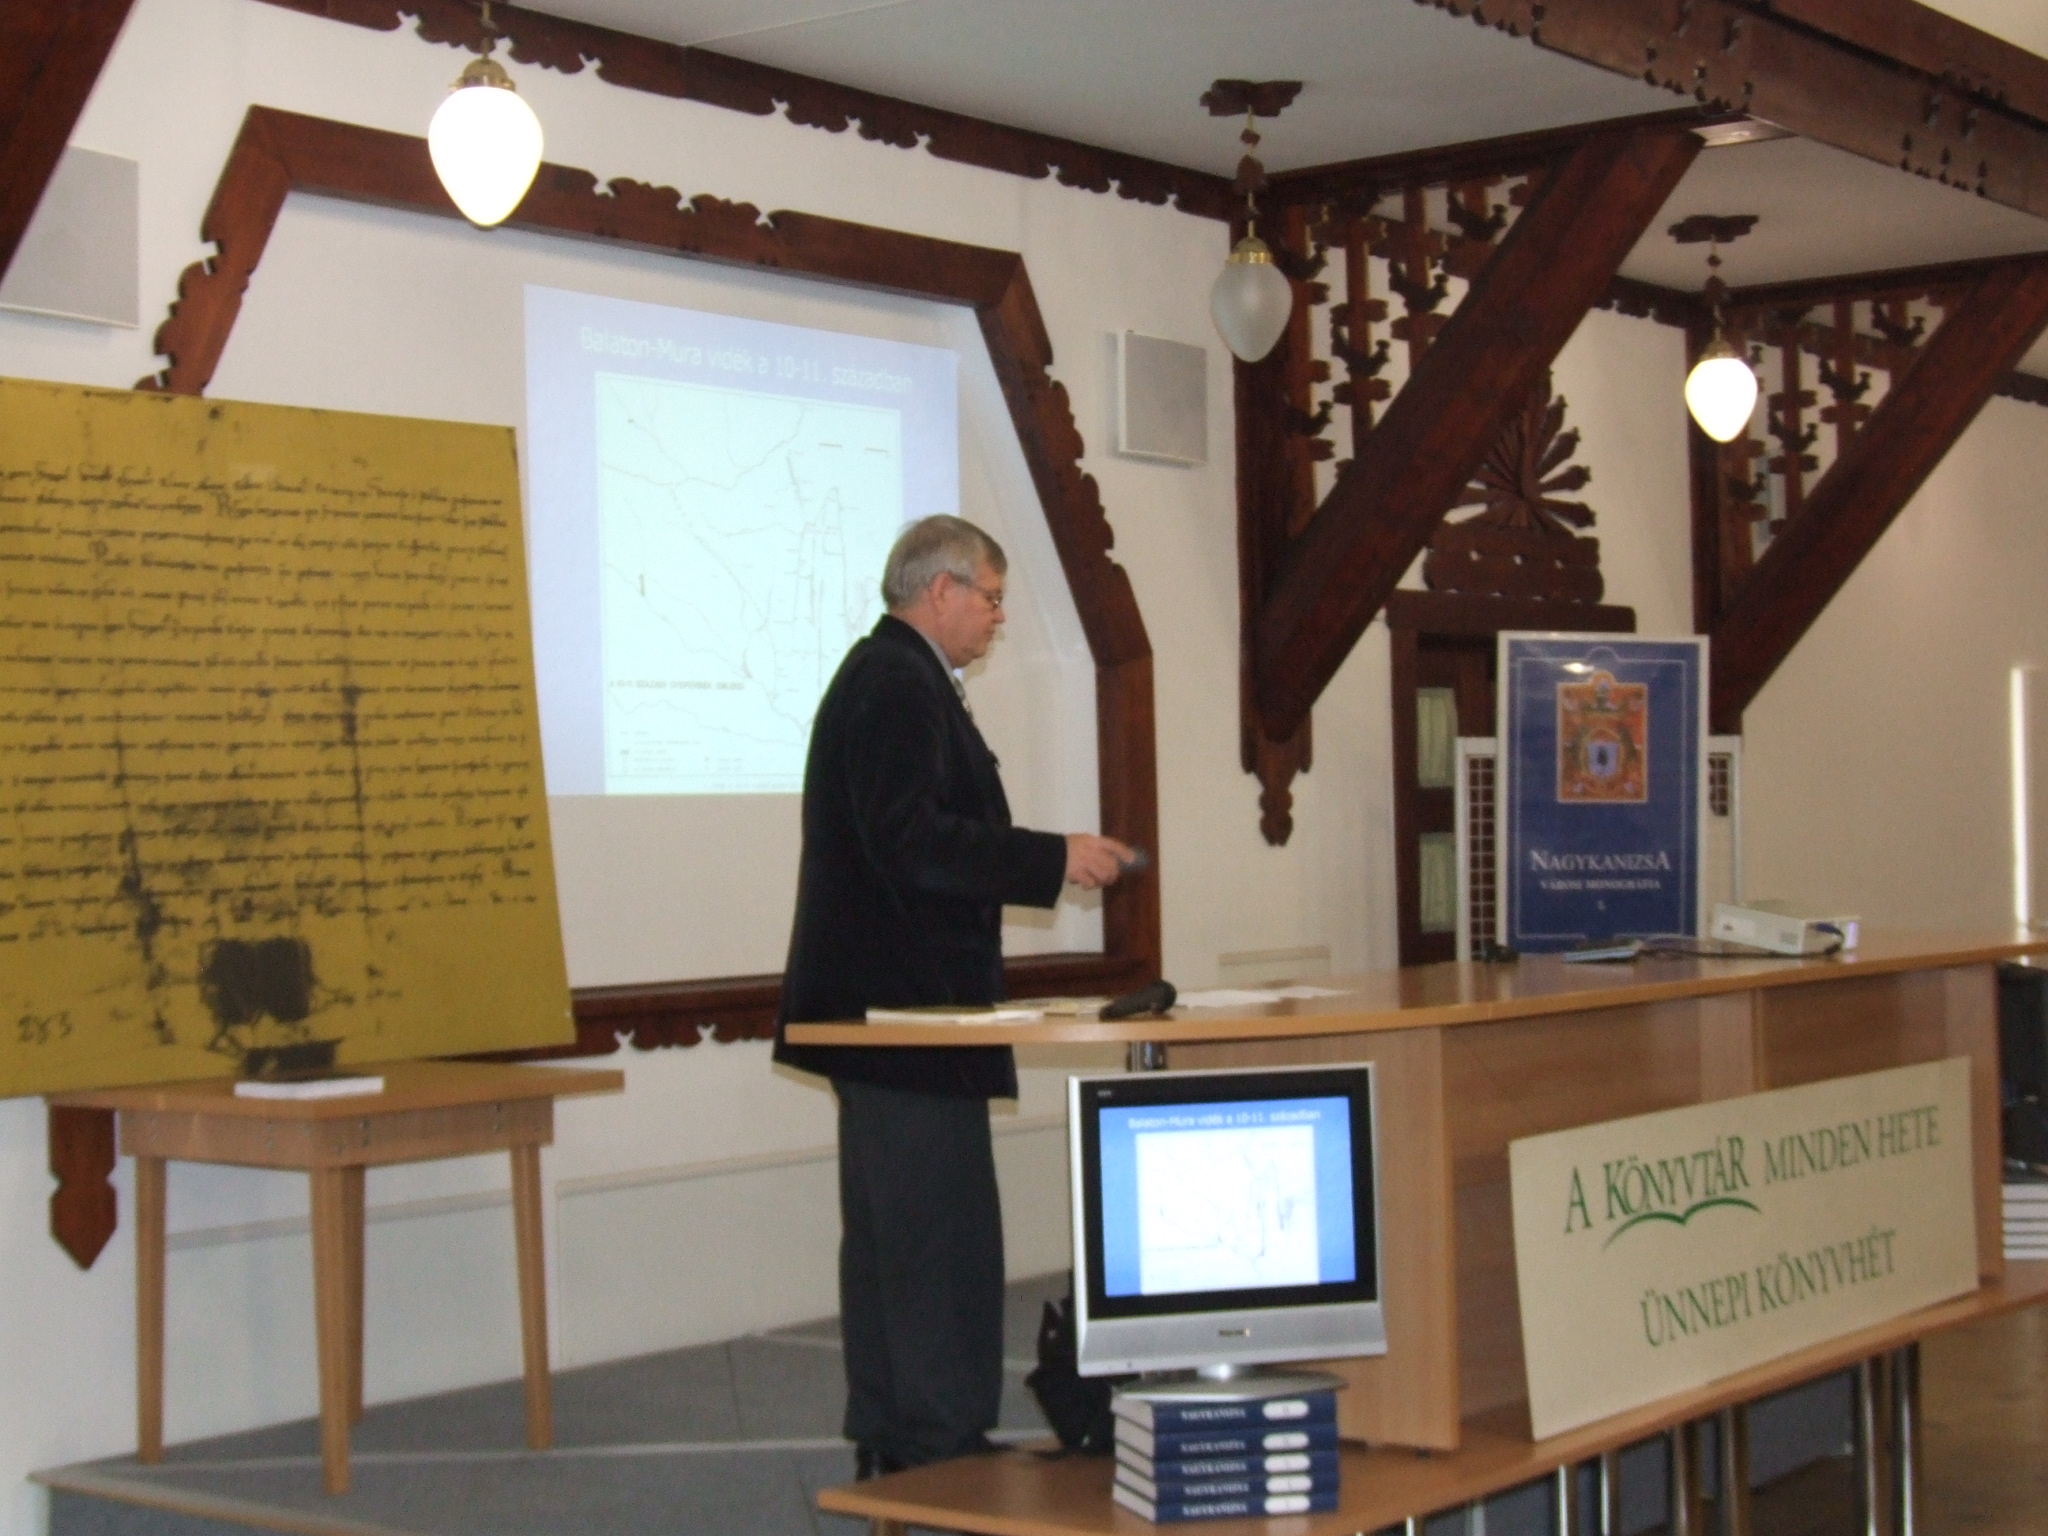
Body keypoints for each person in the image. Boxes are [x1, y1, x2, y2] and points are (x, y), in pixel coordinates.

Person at [773, 514, 1132, 1478]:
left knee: (898, 1243)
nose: (999, 618)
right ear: (941, 591)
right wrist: (1052, 858)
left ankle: (900, 1440)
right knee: (935, 1245)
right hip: (905, 1016)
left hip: (893, 1016)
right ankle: (939, 1452)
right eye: (992, 597)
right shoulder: (897, 683)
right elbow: (912, 842)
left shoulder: (893, 676)